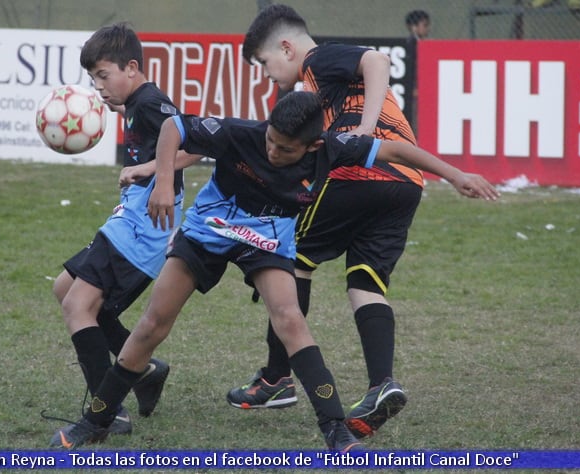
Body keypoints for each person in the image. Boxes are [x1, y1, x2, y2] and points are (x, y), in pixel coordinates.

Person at [49, 91, 499, 451]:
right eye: (270, 140)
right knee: (152, 324)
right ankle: (97, 421)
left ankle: (335, 429)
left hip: (267, 237)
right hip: (209, 228)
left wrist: (456, 175)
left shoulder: (335, 149)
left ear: (314, 146)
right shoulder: (242, 133)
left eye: (285, 149)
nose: (272, 149)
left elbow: (398, 149)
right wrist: (164, 180)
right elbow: (173, 126)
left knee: (290, 320)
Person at [230, 4, 493, 440]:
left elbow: (377, 59)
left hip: (360, 174)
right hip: (406, 182)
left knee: (291, 262)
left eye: (265, 62)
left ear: (287, 46)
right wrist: (455, 175)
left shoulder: (317, 61)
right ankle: (381, 385)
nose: (266, 73)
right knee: (365, 285)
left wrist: (366, 127)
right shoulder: (313, 96)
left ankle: (277, 379)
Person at [47, 22, 200, 438]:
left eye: (103, 75)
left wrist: (148, 169)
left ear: (131, 67)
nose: (98, 86)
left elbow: (196, 144)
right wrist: (117, 108)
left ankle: (106, 406)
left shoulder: (152, 103)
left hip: (144, 228)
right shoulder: (137, 103)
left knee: (78, 305)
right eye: (93, 78)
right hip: (130, 220)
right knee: (66, 288)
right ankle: (145, 371)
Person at [405, 9, 430, 133]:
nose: (427, 29)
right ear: (414, 26)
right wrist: (414, 87)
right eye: (424, 25)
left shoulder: (421, 43)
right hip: (414, 89)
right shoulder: (411, 44)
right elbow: (412, 67)